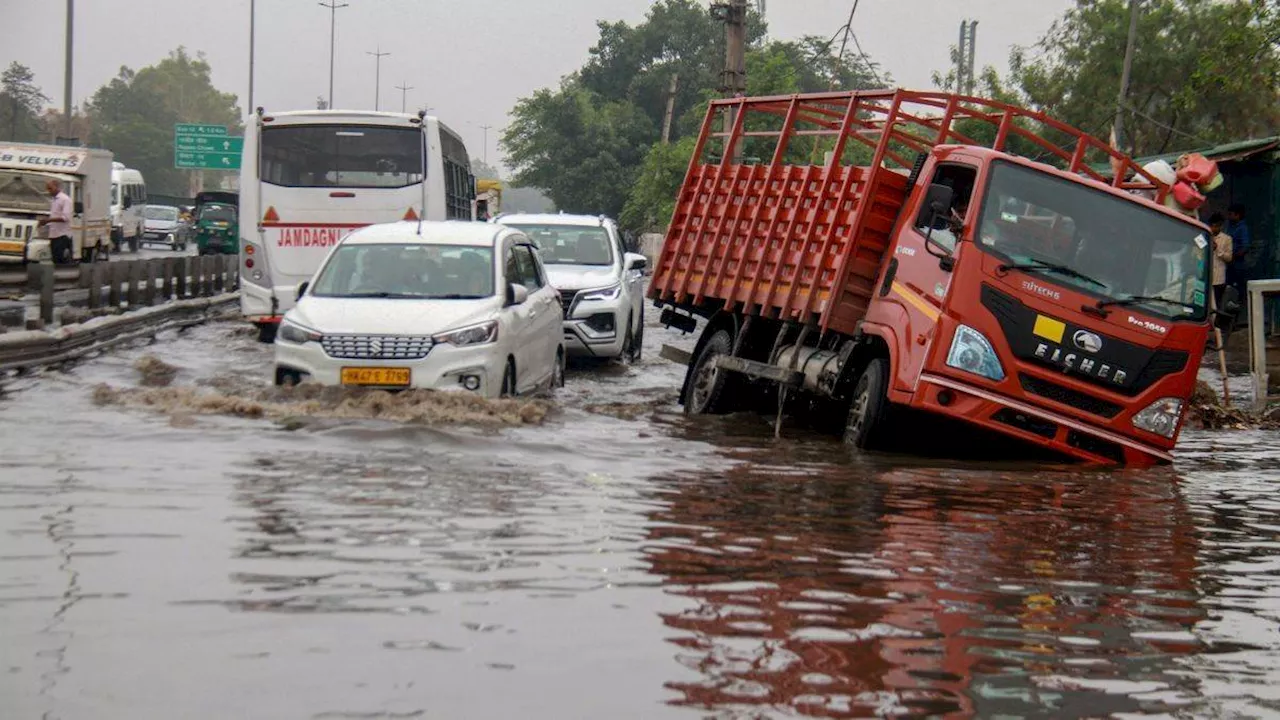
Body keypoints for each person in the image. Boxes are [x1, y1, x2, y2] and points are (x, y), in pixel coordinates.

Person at [36, 179, 73, 264]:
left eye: (50, 188)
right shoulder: (54, 200)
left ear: (57, 187)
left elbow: (65, 218)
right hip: (54, 235)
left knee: (61, 260)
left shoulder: (65, 199)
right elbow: (54, 216)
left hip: (62, 235)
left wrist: (48, 220)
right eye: (48, 189)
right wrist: (45, 222)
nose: (49, 191)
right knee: (55, 260)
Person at [1208, 212, 1233, 311]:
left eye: (1217, 226)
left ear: (1221, 226)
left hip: (1219, 277)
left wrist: (1218, 250)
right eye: (1213, 226)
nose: (1214, 229)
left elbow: (1229, 258)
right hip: (1206, 275)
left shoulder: (1227, 239)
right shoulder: (1204, 235)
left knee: (1218, 302)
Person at [1226, 203, 1251, 297]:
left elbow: (1245, 247)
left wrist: (1234, 256)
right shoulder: (1230, 226)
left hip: (1237, 265)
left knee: (1238, 289)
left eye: (1231, 214)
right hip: (1229, 264)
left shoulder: (1242, 228)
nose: (1229, 217)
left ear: (1237, 215)